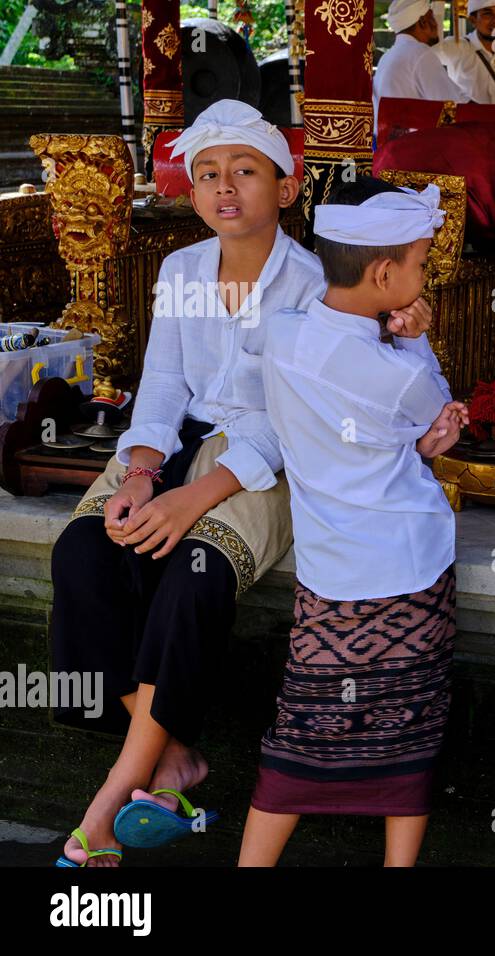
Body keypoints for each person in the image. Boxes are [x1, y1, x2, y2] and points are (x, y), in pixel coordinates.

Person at [47, 100, 432, 867]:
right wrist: (145, 472)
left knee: (194, 573)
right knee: (83, 554)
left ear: (286, 189)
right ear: (190, 193)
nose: (226, 188)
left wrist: (199, 494)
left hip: (268, 457)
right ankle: (175, 757)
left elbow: (295, 414)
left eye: (246, 171)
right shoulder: (180, 269)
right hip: (173, 444)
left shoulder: (319, 282)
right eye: (209, 175)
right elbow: (160, 383)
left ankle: (121, 782)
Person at [239, 177, 469, 867]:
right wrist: (415, 343)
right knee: (411, 732)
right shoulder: (397, 370)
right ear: (384, 273)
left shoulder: (281, 336)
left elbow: (413, 424)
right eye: (422, 264)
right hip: (409, 568)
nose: (424, 276)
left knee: (300, 734)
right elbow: (433, 416)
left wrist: (415, 418)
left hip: (330, 574)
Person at [373, 0, 467, 127]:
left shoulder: (387, 57)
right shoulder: (420, 53)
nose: (437, 24)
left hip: (390, 145)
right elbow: (452, 105)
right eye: (432, 17)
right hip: (414, 145)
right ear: (423, 22)